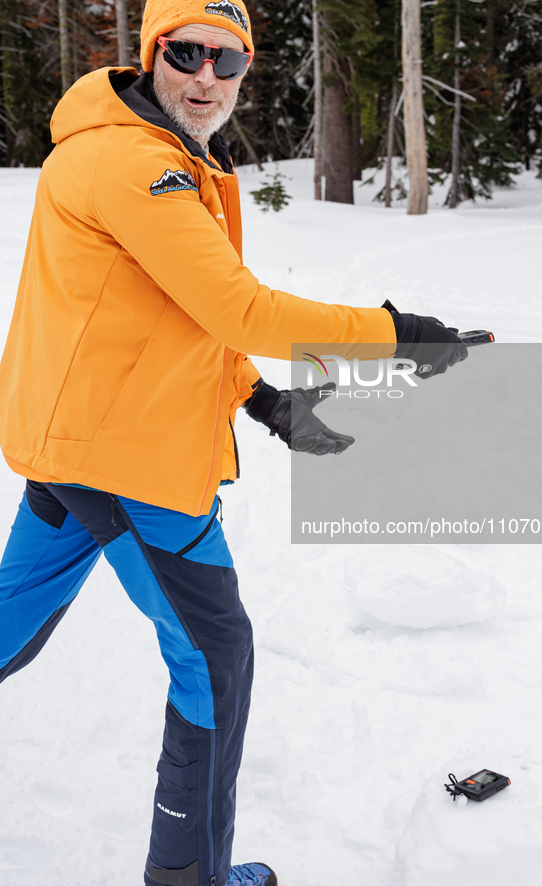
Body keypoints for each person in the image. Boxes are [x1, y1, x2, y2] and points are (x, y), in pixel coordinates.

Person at [0, 1, 467, 884]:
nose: (207, 78)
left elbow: (168, 324)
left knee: (10, 622)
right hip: (125, 464)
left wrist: (261, 403)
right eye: (186, 54)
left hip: (77, 443)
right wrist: (394, 331)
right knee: (215, 659)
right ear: (151, 55)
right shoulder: (133, 163)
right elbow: (237, 309)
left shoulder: (165, 155)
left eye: (229, 61)